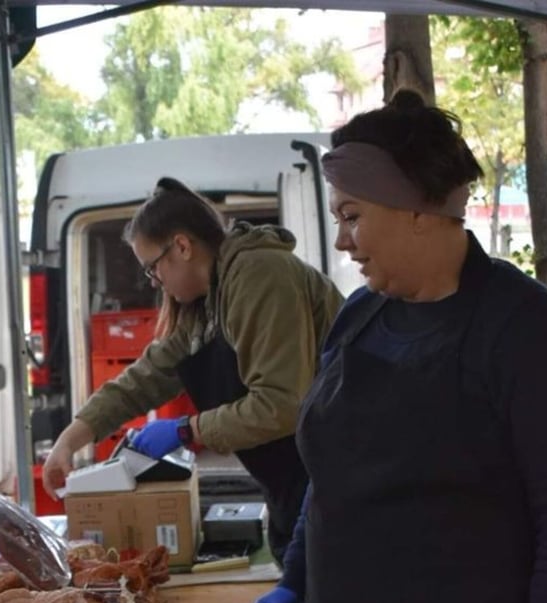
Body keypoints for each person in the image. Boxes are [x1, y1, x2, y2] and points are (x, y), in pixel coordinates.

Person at [252, 90, 547, 603]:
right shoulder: (359, 316)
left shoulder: (525, 330)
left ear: (423, 211)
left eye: (354, 216)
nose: (345, 241)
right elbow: (331, 471)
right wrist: (297, 574)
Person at [42, 177, 343, 561]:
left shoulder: (260, 273)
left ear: (182, 246)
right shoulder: (206, 304)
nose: (156, 283)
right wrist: (72, 438)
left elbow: (281, 405)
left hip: (339, 480)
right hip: (297, 489)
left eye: (152, 269)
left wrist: (187, 430)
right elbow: (147, 377)